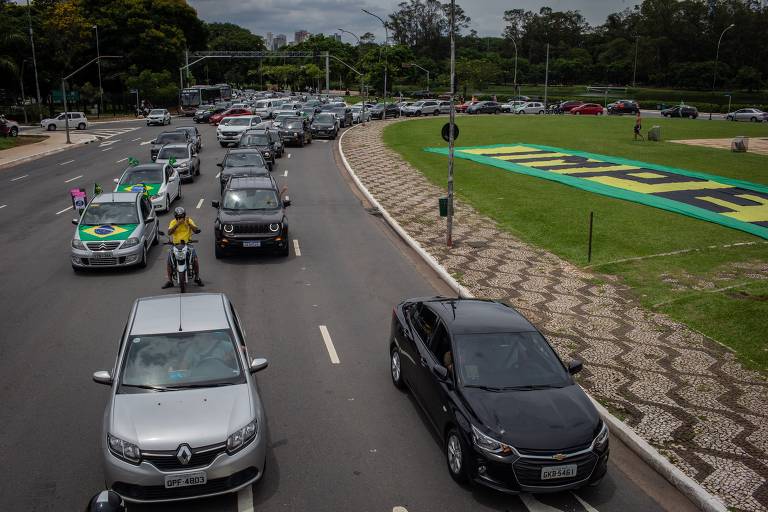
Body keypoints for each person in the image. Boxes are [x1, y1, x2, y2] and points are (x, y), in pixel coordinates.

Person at [162, 207, 203, 288]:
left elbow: (196, 230)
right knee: (169, 260)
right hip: (176, 245)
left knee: (195, 259)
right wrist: (177, 224)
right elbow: (169, 232)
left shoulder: (188, 220)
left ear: (184, 216)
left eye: (182, 217)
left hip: (187, 244)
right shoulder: (173, 222)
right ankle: (170, 281)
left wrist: (189, 224)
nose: (180, 218)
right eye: (178, 217)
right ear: (176, 217)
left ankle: (197, 278)